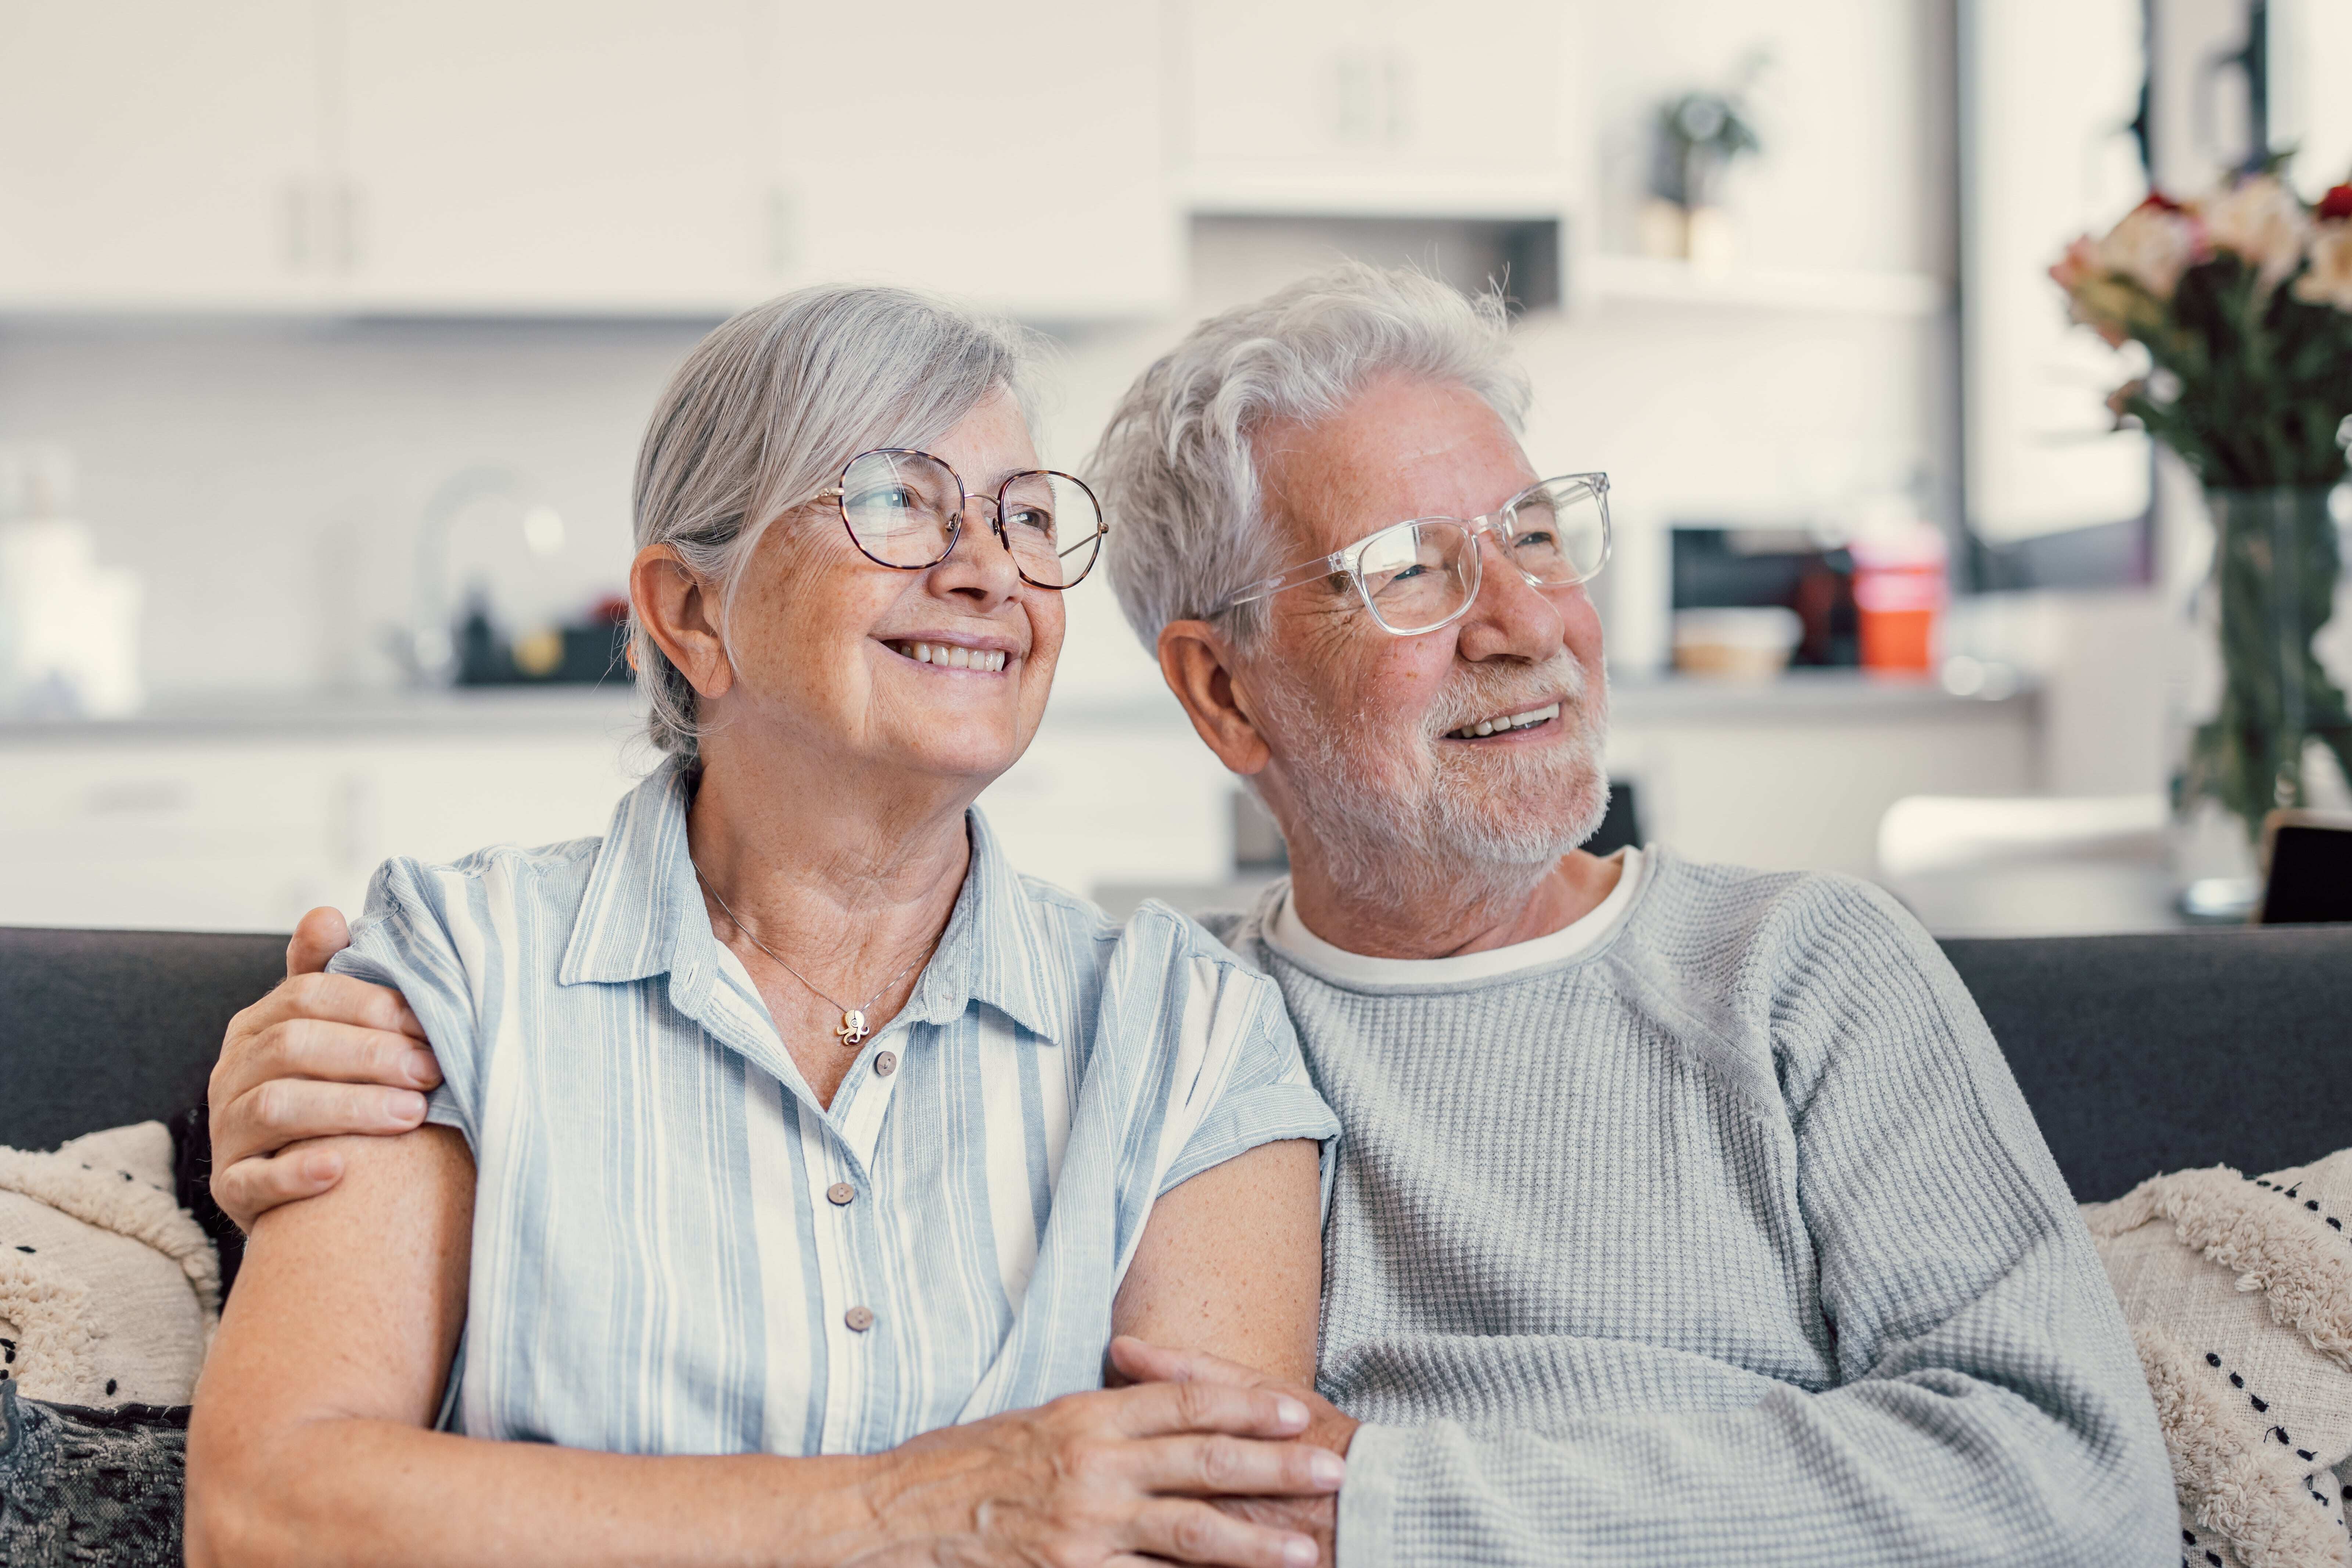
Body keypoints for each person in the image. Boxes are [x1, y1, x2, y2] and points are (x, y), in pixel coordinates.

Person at [206, 266, 2179, 1565]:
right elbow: (278, 1487)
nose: (1525, 625)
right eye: (1407, 568)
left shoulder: (1783, 977)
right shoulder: (1186, 1016)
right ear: (1222, 692)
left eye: (1537, 539)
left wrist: (1375, 1497)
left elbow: (2069, 1484)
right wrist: (296, 1068)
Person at [184, 284, 1345, 1568]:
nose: (985, 570)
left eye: (1023, 515)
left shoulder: (1189, 1033)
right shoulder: (461, 970)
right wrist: (916, 1511)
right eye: (896, 499)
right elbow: (270, 1510)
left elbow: (1222, 1535)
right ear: (689, 613)